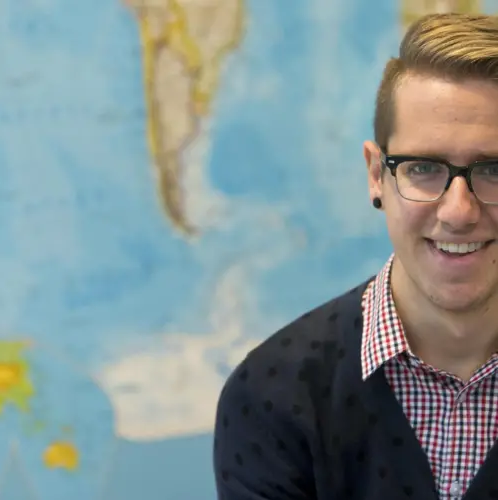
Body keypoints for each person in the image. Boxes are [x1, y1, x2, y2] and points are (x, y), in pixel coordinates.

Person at [213, 12, 498, 500]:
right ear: (376, 176)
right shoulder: (271, 396)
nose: (457, 212)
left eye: (493, 169)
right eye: (423, 168)